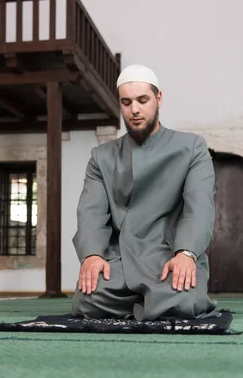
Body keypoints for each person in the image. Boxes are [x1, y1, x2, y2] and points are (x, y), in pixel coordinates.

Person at [71, 64, 219, 321]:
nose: (135, 110)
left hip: (169, 254)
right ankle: (150, 305)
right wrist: (92, 255)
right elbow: (90, 211)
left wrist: (186, 253)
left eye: (142, 100)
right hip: (120, 258)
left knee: (186, 301)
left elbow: (200, 206)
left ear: (158, 98)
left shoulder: (192, 147)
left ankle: (146, 303)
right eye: (126, 103)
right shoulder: (102, 156)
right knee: (86, 302)